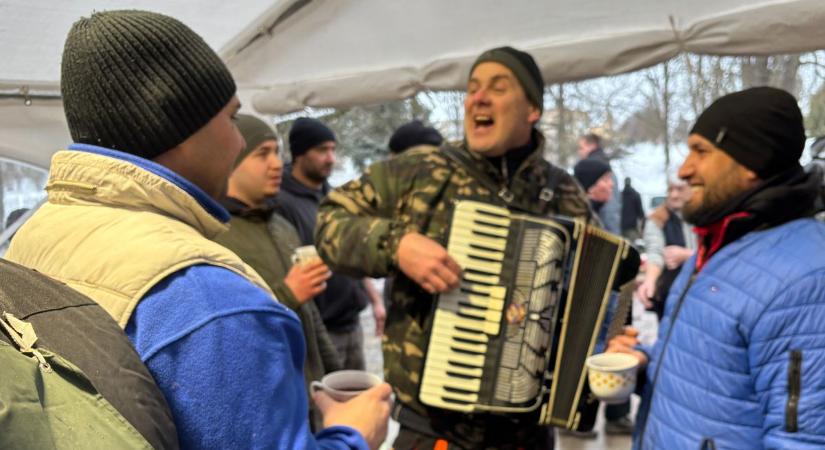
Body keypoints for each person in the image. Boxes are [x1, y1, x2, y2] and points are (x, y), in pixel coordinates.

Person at [5, 10, 390, 450]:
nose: (239, 141)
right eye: (231, 118)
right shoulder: (211, 300)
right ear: (177, 124)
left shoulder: (35, 231)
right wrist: (355, 434)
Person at [316, 46, 593, 449]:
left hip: (528, 433)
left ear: (532, 110)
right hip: (432, 431)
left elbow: (597, 288)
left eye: (498, 88)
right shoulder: (419, 170)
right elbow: (329, 221)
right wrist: (398, 244)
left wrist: (606, 340)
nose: (478, 98)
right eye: (473, 87)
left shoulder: (561, 190)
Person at [608, 87, 825, 448]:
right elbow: (714, 363)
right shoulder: (720, 241)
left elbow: (805, 440)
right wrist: (645, 361)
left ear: (752, 161)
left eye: (701, 151)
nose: (684, 169)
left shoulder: (806, 280)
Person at [213, 113, 341, 431]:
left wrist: (336, 377)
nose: (275, 164)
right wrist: (287, 294)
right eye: (262, 153)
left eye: (277, 153)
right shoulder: (213, 234)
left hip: (311, 393)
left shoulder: (282, 226)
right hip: (266, 407)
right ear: (233, 159)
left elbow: (309, 313)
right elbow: (225, 330)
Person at [277, 117, 385, 370]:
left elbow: (353, 254)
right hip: (321, 332)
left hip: (352, 324)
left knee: (359, 398)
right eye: (322, 150)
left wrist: (376, 301)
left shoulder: (335, 197)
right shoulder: (282, 204)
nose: (331, 158)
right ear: (300, 153)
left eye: (333, 150)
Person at [571, 158, 635, 436]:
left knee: (611, 346)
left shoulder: (601, 212)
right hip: (589, 300)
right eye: (605, 180)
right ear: (589, 185)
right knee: (589, 351)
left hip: (612, 295)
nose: (610, 185)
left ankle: (613, 414)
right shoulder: (580, 215)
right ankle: (577, 414)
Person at [635, 176, 696, 320]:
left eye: (680, 189)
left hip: (700, 289)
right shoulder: (657, 219)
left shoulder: (704, 216)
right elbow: (655, 253)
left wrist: (688, 255)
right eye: (671, 189)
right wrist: (649, 281)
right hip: (669, 291)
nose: (674, 195)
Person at [578, 133, 621, 233]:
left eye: (581, 148)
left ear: (592, 145)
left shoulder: (596, 168)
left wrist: (612, 240)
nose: (579, 152)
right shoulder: (602, 164)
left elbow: (610, 208)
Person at [621, 177, 645, 241]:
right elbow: (641, 212)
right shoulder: (636, 195)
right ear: (630, 183)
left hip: (621, 227)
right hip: (632, 227)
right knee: (631, 247)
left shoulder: (620, 195)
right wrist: (643, 227)